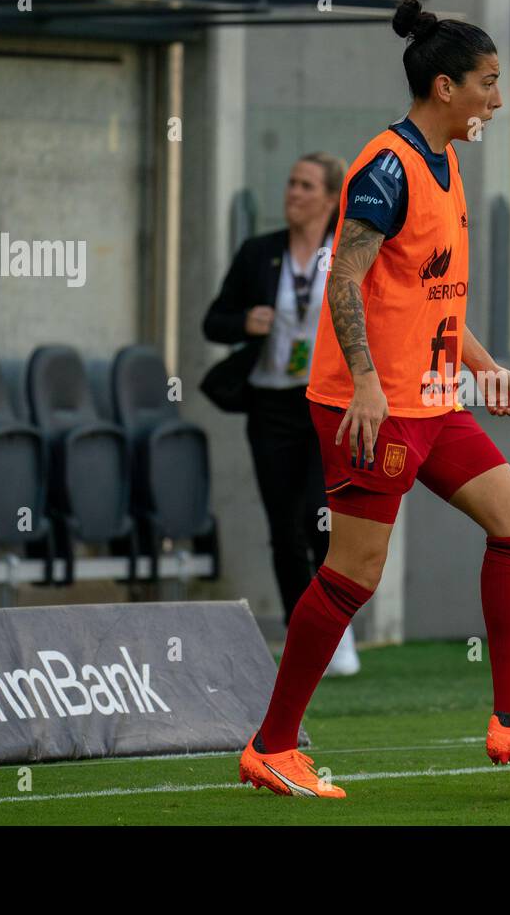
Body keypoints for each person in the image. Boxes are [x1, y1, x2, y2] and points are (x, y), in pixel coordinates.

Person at [239, 0, 510, 799]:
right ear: (444, 87)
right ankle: (273, 746)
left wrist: (481, 367)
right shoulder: (386, 165)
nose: (497, 99)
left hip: (434, 402)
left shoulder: (446, 162)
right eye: (487, 82)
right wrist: (370, 386)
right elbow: (343, 279)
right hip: (369, 406)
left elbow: (432, 295)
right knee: (354, 573)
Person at [203, 152, 361, 677]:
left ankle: (335, 630)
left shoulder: (349, 252)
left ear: (333, 197)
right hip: (271, 404)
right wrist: (246, 321)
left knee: (322, 517)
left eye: (306, 186)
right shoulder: (259, 253)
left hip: (327, 401)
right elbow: (214, 322)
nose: (293, 193)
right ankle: (303, 633)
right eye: (291, 183)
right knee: (284, 527)